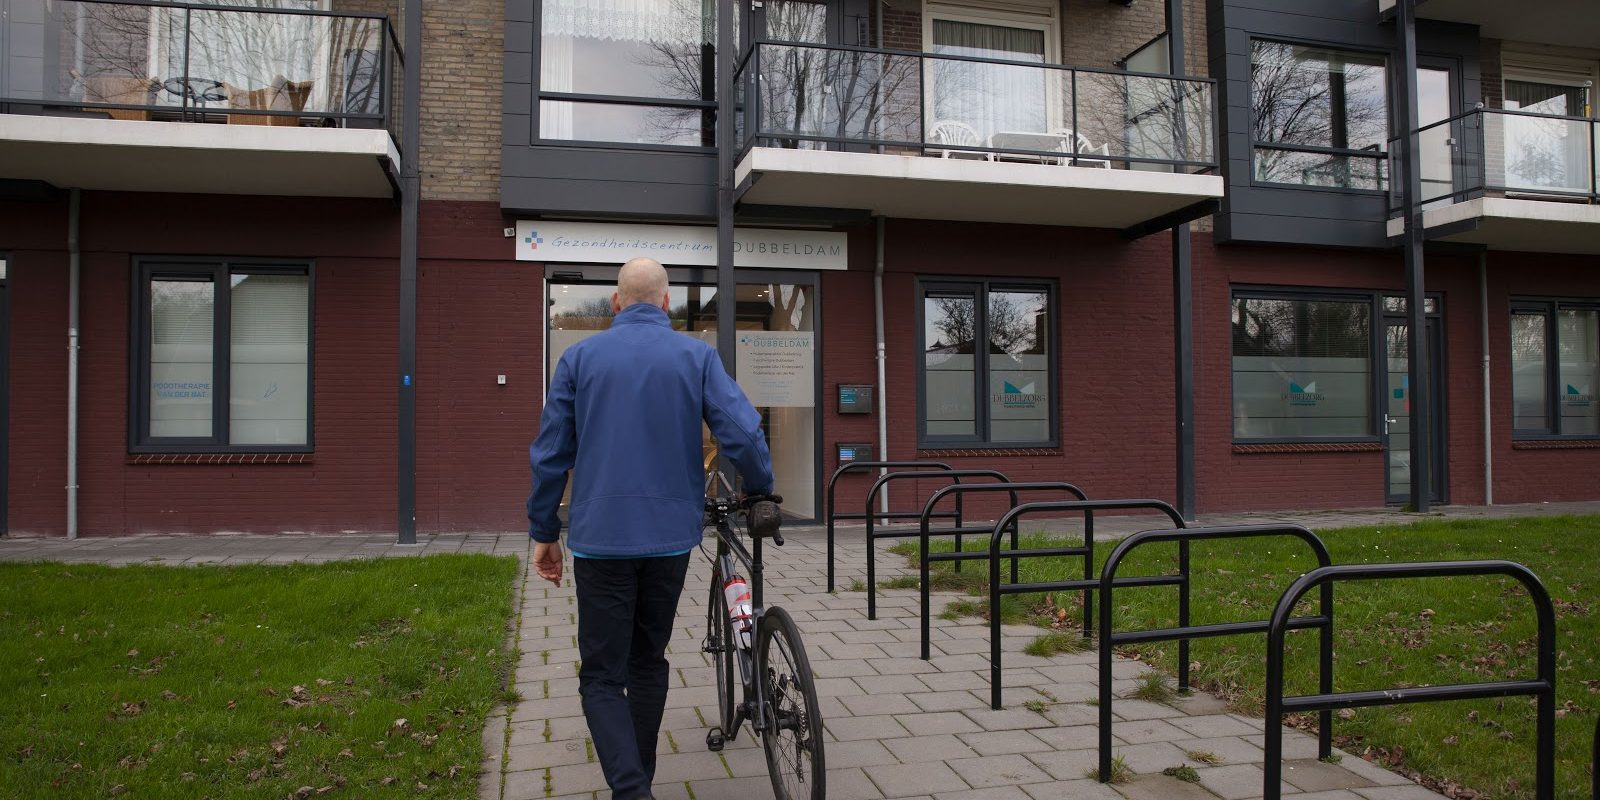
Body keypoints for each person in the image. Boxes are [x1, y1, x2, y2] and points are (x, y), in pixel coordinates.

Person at [527, 257, 774, 800]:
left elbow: (551, 455)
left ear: (616, 303)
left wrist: (544, 530)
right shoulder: (696, 356)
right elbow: (740, 430)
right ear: (667, 304)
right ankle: (636, 783)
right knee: (647, 660)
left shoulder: (578, 359)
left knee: (600, 674)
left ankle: (631, 788)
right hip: (670, 539)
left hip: (600, 539)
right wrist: (761, 484)